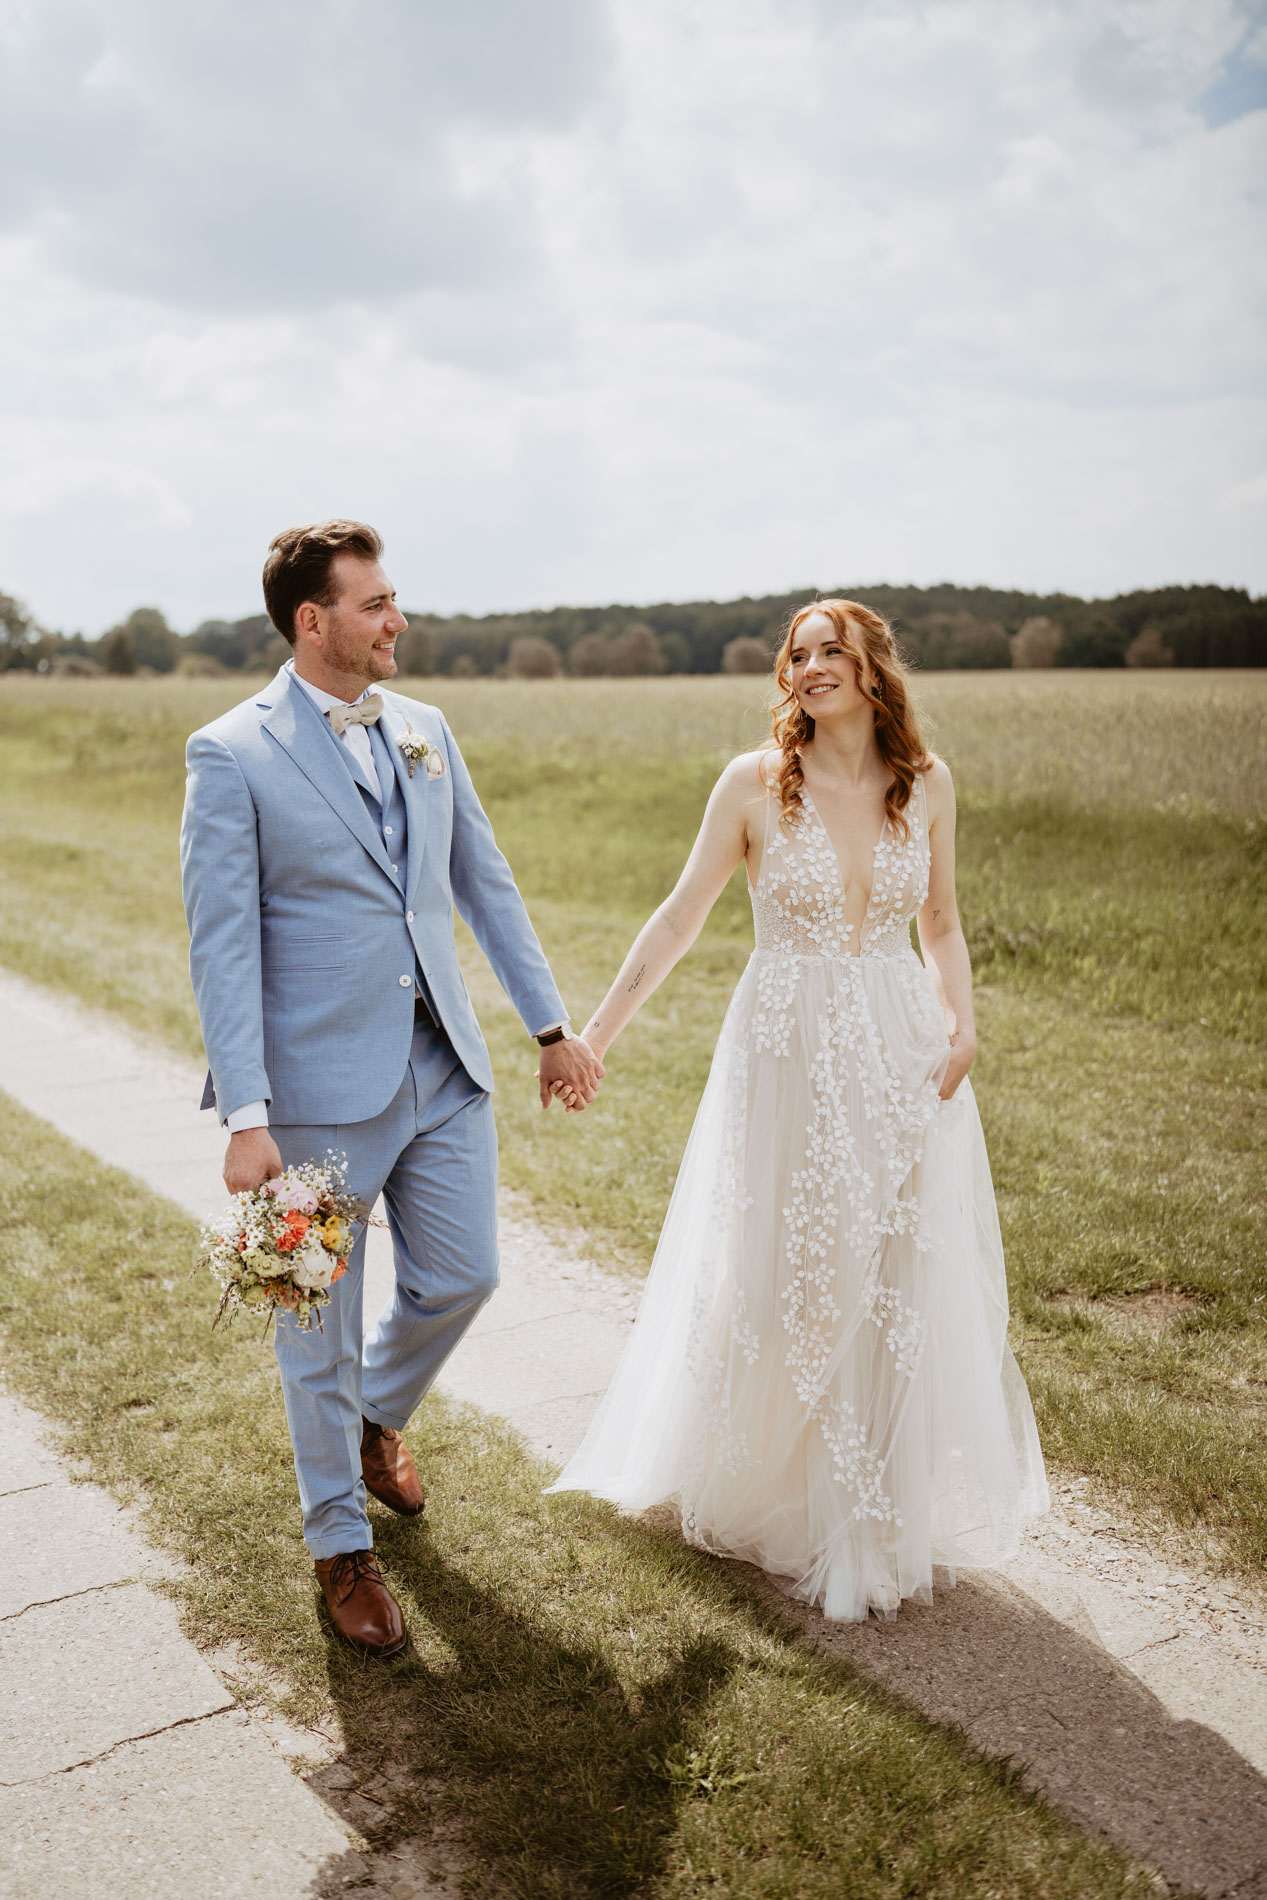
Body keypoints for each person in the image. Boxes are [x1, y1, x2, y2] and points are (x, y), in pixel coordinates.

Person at [547, 599, 1047, 1621]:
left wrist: (963, 1023)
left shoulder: (928, 783)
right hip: (788, 1047)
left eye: (831, 650)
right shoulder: (752, 783)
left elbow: (942, 923)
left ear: (872, 669)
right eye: (798, 653)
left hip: (902, 1046)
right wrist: (593, 1035)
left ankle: (875, 1509)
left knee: (893, 1270)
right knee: (794, 1259)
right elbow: (679, 916)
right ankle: (789, 1496)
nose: (811, 665)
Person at [180, 520, 602, 1658]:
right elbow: (222, 945)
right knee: (311, 1325)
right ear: (312, 622)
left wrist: (550, 1026)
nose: (396, 620)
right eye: (373, 604)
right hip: (311, 1098)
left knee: (466, 1274)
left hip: (441, 1070)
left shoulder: (424, 730)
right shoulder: (229, 752)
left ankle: (379, 1419)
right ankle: (339, 1547)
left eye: (393, 599)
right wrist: (249, 1118)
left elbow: (485, 882)